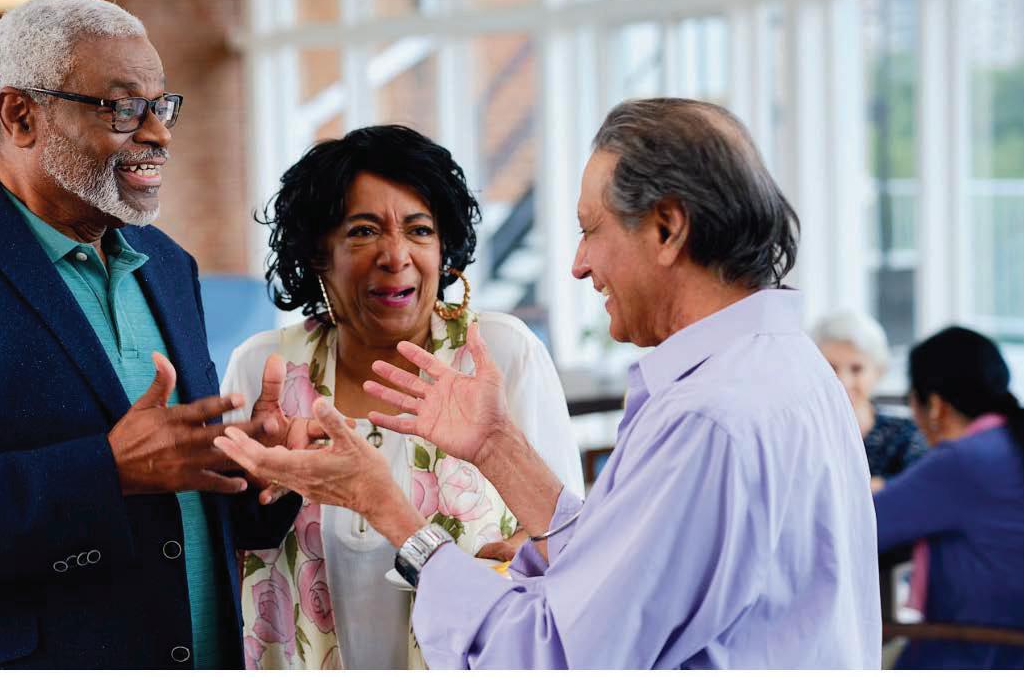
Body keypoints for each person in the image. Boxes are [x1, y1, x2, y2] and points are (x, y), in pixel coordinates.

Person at [216, 98, 883, 668]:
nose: (578, 265)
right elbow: (631, 578)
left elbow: (553, 655)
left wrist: (389, 510)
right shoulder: (788, 369)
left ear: (667, 228)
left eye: (591, 230)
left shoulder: (709, 419)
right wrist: (496, 447)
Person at [0, 0, 309, 669]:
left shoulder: (168, 265)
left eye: (161, 105)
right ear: (20, 116)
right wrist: (105, 472)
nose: (159, 134)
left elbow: (182, 517)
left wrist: (259, 477)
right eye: (123, 107)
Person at [219, 124, 584, 669]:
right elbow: (222, 553)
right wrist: (252, 497)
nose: (395, 256)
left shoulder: (500, 355)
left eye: (419, 230)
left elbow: (572, 545)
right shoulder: (263, 368)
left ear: (443, 249)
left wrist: (529, 558)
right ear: (319, 253)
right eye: (363, 231)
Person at [874, 326, 1024, 669]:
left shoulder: (964, 461)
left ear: (935, 405)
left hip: (979, 654)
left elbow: (861, 526)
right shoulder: (1017, 444)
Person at [812, 308, 927, 491]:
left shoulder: (906, 433)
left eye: (856, 369)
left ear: (879, 371)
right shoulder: (803, 433)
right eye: (831, 368)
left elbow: (918, 490)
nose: (843, 381)